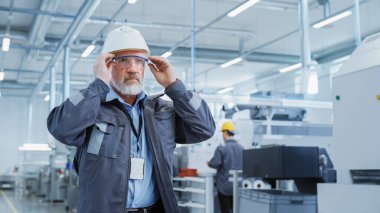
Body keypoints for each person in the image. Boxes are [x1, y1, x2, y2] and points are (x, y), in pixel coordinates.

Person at [47, 26, 215, 213]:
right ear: (108, 64)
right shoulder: (92, 109)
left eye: (139, 61)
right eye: (123, 60)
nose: (133, 69)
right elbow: (60, 127)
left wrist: (174, 86)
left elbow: (205, 127)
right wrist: (98, 85)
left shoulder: (162, 112)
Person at [207, 121, 244, 213]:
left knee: (225, 211)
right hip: (238, 185)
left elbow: (215, 163)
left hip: (224, 186)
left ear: (225, 132)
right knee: (236, 209)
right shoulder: (242, 148)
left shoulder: (222, 147)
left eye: (223, 132)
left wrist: (208, 163)